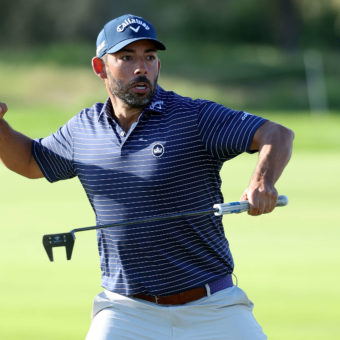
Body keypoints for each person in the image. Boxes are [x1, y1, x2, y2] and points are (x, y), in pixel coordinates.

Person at [0, 14, 294, 340]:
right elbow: (28, 161)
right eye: (127, 57)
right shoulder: (83, 129)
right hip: (126, 311)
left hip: (212, 307)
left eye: (149, 57)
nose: (141, 67)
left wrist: (262, 181)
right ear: (100, 68)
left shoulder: (193, 117)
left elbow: (276, 134)